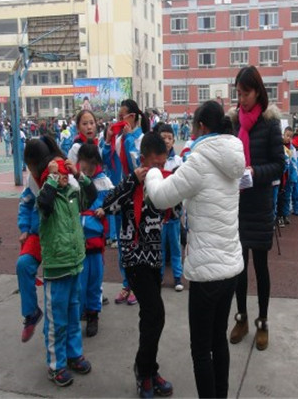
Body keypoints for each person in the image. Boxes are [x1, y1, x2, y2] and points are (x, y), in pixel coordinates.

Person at [145, 100, 245, 398]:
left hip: (206, 272)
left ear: (201, 127)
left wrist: (153, 172)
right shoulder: (233, 158)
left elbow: (161, 197)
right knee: (218, 340)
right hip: (231, 267)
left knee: (201, 349)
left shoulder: (200, 162)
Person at [102, 133, 173, 398]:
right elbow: (107, 205)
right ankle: (144, 371)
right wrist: (132, 180)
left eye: (163, 164)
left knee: (150, 316)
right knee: (156, 313)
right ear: (143, 160)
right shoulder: (130, 184)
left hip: (154, 260)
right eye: (155, 165)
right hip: (134, 259)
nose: (159, 170)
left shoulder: (163, 183)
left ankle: (149, 370)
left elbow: (174, 213)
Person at [25, 136, 97, 387]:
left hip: (75, 264)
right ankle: (56, 365)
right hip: (56, 269)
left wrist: (78, 174)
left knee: (73, 314)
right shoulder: (46, 198)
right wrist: (53, 179)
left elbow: (92, 194)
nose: (64, 177)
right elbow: (44, 202)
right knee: (57, 321)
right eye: (58, 173)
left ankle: (74, 354)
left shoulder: (73, 195)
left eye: (65, 172)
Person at [227, 66, 285, 351]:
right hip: (236, 205)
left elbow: (279, 164)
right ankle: (241, 318)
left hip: (260, 204)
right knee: (238, 267)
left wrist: (255, 172)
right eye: (238, 94)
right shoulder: (232, 122)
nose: (242, 99)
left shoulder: (270, 123)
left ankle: (263, 322)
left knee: (261, 267)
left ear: (258, 92)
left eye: (246, 93)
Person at [102, 99, 149, 306]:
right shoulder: (120, 139)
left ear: (134, 117)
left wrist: (129, 138)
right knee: (123, 242)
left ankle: (138, 285)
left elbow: (136, 164)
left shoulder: (142, 139)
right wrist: (108, 141)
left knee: (137, 241)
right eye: (119, 116)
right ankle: (126, 283)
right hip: (123, 194)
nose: (120, 120)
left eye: (123, 116)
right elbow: (108, 163)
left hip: (138, 196)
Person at [77, 144, 114, 337]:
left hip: (96, 241)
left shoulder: (104, 182)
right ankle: (80, 312)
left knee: (94, 280)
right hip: (77, 242)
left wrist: (104, 209)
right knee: (79, 282)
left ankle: (93, 315)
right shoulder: (74, 181)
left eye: (91, 166)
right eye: (84, 166)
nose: (87, 171)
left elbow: (113, 202)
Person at [17, 172, 43, 343]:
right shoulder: (32, 179)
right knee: (23, 264)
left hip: (59, 235)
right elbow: (25, 204)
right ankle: (31, 312)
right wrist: (25, 228)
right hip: (37, 234)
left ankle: (89, 308)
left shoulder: (64, 173)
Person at [157, 124, 184, 291]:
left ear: (174, 141)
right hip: (158, 214)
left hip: (174, 213)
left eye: (169, 138)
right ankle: (159, 277)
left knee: (175, 247)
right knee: (159, 248)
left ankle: (177, 277)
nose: (166, 141)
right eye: (163, 138)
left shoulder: (178, 161)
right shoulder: (155, 161)